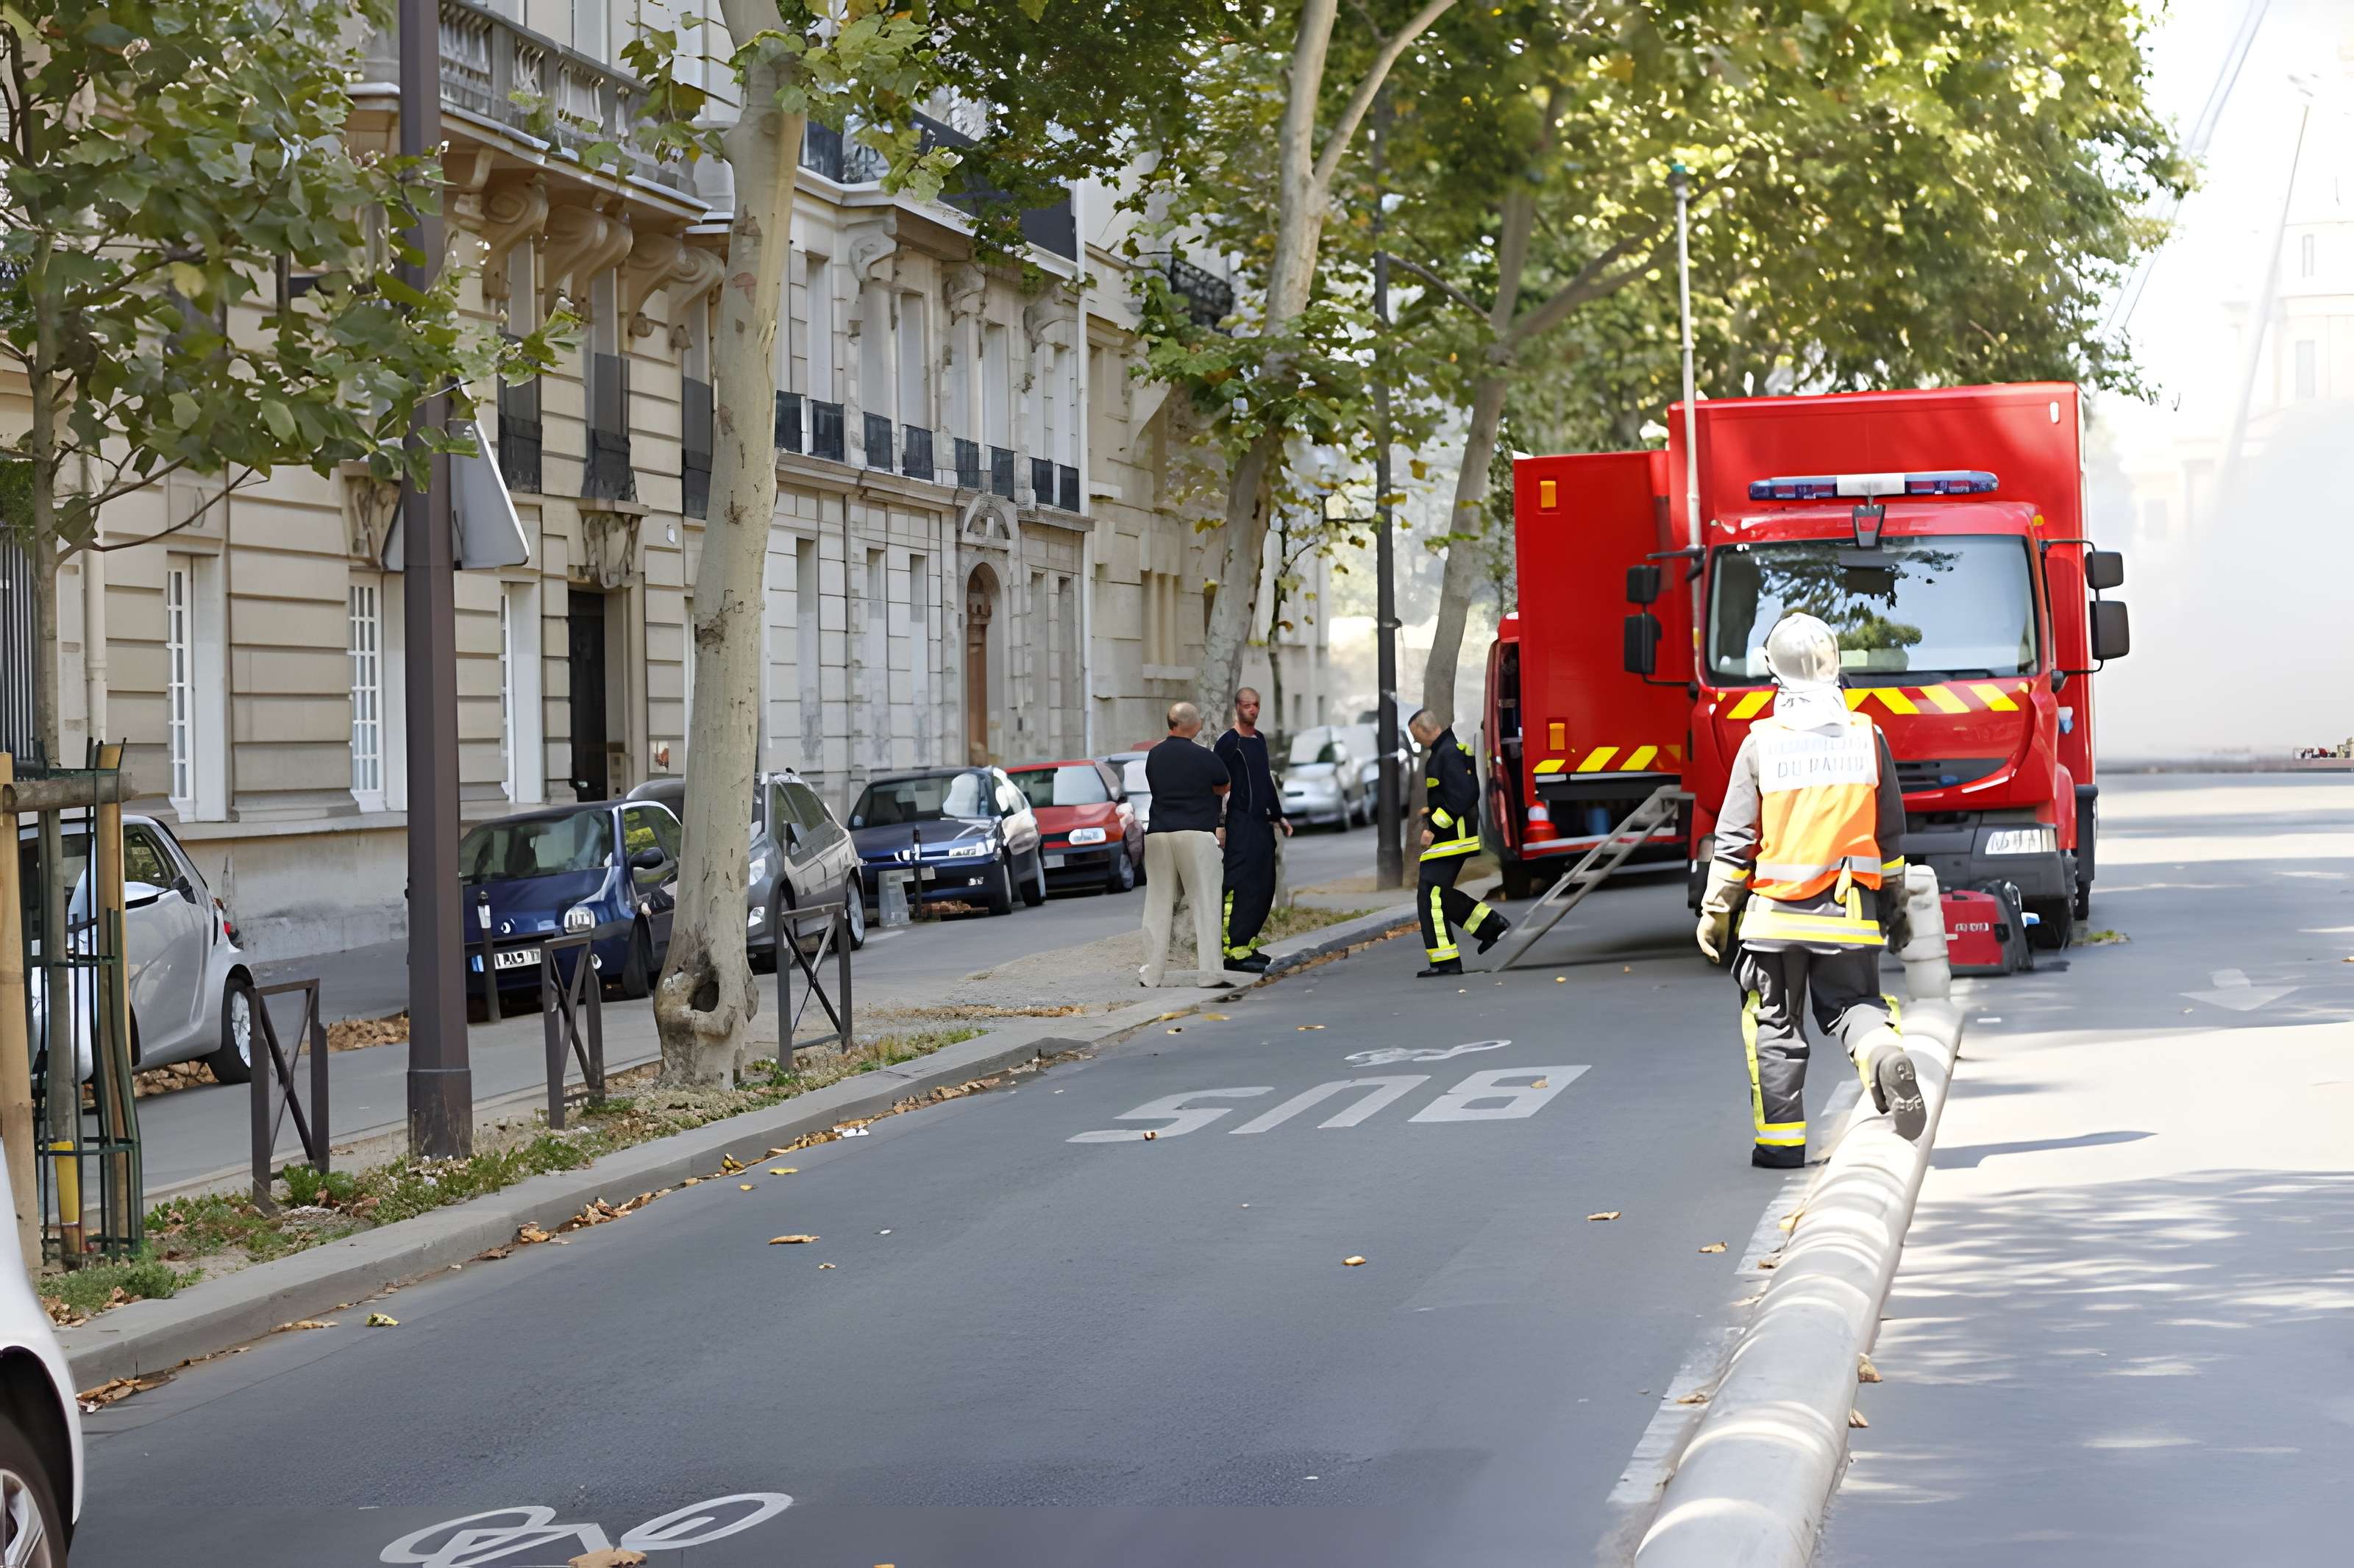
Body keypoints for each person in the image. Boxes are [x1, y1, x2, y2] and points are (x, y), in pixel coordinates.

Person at [1696, 612, 1927, 1169]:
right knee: (1855, 1007)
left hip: (1774, 920)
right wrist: (1897, 912)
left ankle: (1781, 1145)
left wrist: (1714, 914)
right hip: (1849, 912)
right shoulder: (1867, 736)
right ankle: (1883, 1054)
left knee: (1775, 1025)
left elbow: (1733, 842)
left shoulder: (1761, 744)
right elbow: (1891, 837)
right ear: (1835, 669)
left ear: (1774, 675)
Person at [1138, 701, 1234, 988]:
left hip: (1158, 834)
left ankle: (1151, 974)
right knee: (1205, 902)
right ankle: (1210, 974)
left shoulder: (1154, 755)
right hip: (1195, 834)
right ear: (1193, 724)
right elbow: (1224, 784)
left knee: (1157, 904)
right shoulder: (1204, 756)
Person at [1409, 708, 1509, 977]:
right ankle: (1486, 929)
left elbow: (1464, 794)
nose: (1415, 741)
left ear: (1422, 728)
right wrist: (1430, 814)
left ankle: (1450, 959)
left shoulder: (1449, 752)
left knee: (1430, 893)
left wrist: (1434, 827)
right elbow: (1451, 795)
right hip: (1452, 835)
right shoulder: (1445, 751)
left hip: (1453, 837)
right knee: (1436, 893)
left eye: (1414, 735)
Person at [1215, 687, 1291, 974]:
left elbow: (1265, 782)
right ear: (1237, 707)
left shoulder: (1259, 740)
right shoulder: (1228, 743)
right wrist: (1220, 825)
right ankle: (1231, 951)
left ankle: (1247, 945)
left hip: (1261, 824)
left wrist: (1279, 817)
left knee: (1263, 884)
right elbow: (1216, 788)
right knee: (1239, 884)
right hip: (1239, 822)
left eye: (1256, 705)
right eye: (1247, 705)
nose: (1253, 710)